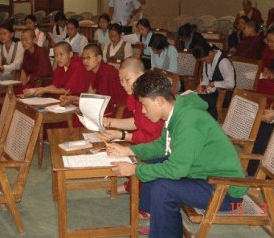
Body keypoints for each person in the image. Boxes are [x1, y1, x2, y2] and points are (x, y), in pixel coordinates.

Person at [106, 72, 247, 238]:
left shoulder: (188, 121)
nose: (143, 111)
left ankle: (162, 227)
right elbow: (162, 146)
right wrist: (129, 151)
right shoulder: (176, 112)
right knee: (154, 164)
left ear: (159, 101)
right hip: (201, 174)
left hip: (224, 189)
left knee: (163, 189)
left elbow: (177, 169)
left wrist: (135, 170)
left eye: (144, 104)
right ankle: (159, 221)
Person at [99, 57, 164, 194]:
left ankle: (136, 188)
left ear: (140, 76)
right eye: (121, 80)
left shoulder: (151, 95)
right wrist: (110, 122)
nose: (123, 84)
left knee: (128, 150)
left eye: (127, 79)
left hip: (158, 144)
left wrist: (123, 135)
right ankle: (130, 184)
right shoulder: (134, 92)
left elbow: (152, 134)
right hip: (145, 137)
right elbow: (137, 121)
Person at [23, 41, 92, 98]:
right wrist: (35, 90)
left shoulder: (78, 66)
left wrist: (45, 90)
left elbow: (67, 90)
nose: (58, 58)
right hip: (64, 97)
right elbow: (55, 85)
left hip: (78, 99)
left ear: (70, 54)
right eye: (56, 55)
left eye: (61, 54)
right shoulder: (61, 67)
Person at [193, 41, 236, 119]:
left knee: (199, 101)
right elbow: (206, 79)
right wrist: (202, 86)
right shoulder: (207, 60)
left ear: (210, 53)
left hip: (224, 95)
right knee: (193, 98)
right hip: (212, 92)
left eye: (204, 60)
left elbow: (231, 84)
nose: (204, 62)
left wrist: (214, 84)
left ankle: (208, 120)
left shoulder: (223, 61)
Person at [13, 29, 53, 93]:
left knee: (17, 92)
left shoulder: (41, 52)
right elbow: (24, 66)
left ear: (34, 40)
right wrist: (23, 71)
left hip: (41, 83)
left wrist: (29, 77)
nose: (23, 43)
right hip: (30, 82)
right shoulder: (26, 52)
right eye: (22, 40)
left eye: (26, 40)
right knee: (9, 90)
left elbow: (44, 72)